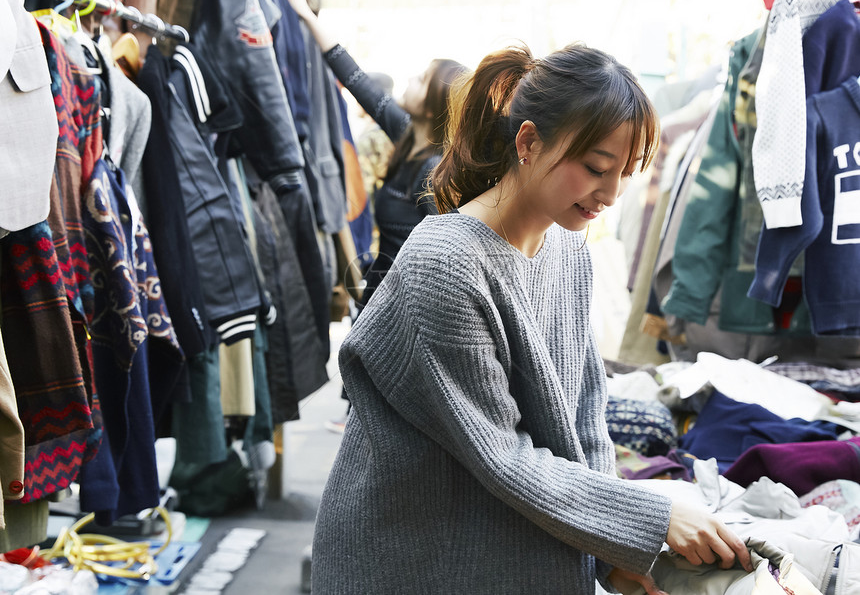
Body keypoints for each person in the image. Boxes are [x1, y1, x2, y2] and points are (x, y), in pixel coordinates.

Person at [300, 35, 755, 594]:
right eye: (595, 167)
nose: (611, 193)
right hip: (410, 564)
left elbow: (586, 408)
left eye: (624, 173)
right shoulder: (444, 266)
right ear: (529, 141)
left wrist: (608, 545)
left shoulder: (567, 248)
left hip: (496, 552)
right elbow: (501, 455)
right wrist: (651, 518)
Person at [282, 0, 469, 308]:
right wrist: (307, 16)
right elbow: (355, 79)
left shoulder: (432, 171)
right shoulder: (409, 134)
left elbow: (443, 266)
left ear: (435, 103)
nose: (411, 79)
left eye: (422, 79)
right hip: (378, 301)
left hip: (401, 316)